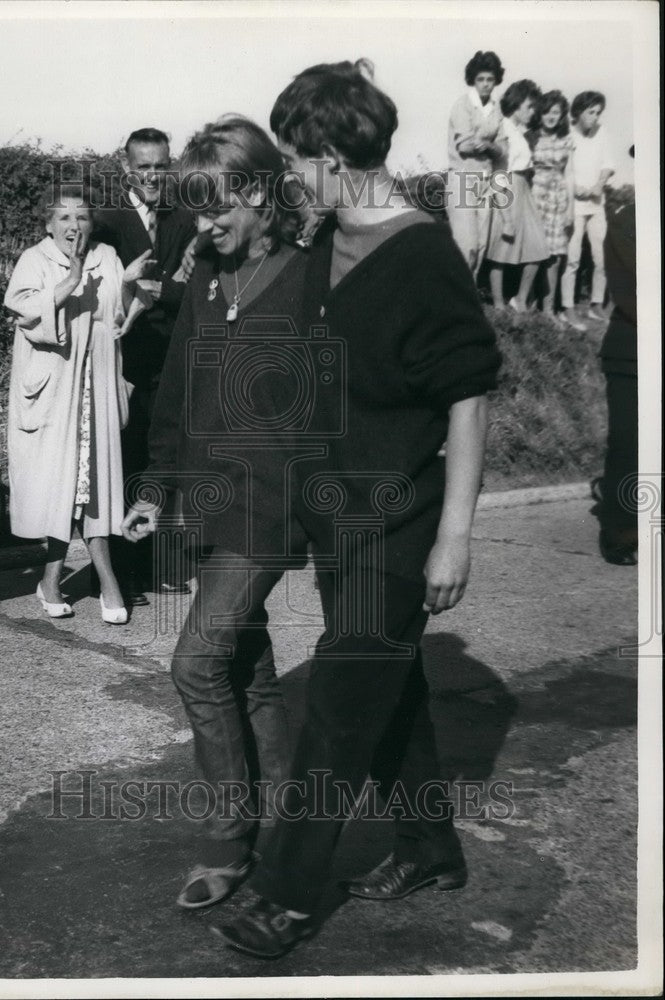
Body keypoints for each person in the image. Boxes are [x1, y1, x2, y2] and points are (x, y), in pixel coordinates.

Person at [212, 60, 501, 958]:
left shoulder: (423, 255)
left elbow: (467, 398)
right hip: (336, 520)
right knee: (388, 691)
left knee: (337, 706)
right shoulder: (320, 248)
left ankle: (285, 894)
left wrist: (453, 538)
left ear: (334, 157)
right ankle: (428, 847)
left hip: (402, 526)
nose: (292, 180)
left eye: (297, 162)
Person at [122, 115, 310, 909]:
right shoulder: (203, 274)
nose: (202, 225)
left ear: (261, 195)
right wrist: (152, 488)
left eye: (216, 207)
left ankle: (228, 840)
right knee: (246, 667)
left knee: (195, 663)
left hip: (269, 508)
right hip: (205, 503)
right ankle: (289, 825)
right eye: (195, 209)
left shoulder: (309, 278)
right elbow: (174, 393)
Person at [5, 182, 154, 624]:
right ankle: (97, 582)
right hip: (54, 392)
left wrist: (127, 285)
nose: (74, 225)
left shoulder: (106, 256)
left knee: (95, 485)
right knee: (63, 486)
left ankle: (64, 580)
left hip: (98, 387)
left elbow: (119, 317)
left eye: (82, 217)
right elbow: (22, 311)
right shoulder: (34, 260)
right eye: (64, 217)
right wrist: (68, 282)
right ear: (50, 224)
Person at [96, 127, 197, 604]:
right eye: (143, 167)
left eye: (160, 166)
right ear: (126, 168)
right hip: (122, 358)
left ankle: (153, 562)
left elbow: (195, 284)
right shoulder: (106, 221)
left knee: (163, 456)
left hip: (171, 356)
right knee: (126, 457)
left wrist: (163, 290)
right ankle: (121, 572)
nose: (153, 176)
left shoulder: (186, 216)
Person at [594, 146, 636, 564]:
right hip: (633, 353)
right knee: (629, 442)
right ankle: (621, 532)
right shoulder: (626, 222)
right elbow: (632, 294)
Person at [485, 79, 549, 312]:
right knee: (501, 248)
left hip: (524, 190)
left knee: (537, 247)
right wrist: (506, 216)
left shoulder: (519, 132)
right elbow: (497, 172)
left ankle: (520, 299)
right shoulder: (502, 129)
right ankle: (498, 303)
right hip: (507, 188)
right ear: (516, 104)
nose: (533, 112)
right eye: (529, 107)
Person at [446, 50, 506, 278]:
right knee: (466, 244)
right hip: (462, 179)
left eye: (490, 79)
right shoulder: (462, 105)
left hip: (486, 180)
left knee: (481, 245)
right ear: (473, 80)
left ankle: (469, 292)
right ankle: (454, 292)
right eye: (481, 79)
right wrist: (490, 145)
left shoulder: (496, 109)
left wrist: (487, 145)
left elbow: (503, 150)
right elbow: (464, 146)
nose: (486, 84)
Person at [561, 91, 615, 330]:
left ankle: (595, 305)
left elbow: (608, 164)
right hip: (574, 205)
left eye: (598, 113)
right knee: (572, 259)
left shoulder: (602, 132)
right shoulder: (567, 134)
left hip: (596, 203)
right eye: (590, 112)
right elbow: (564, 169)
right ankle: (567, 308)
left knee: (601, 258)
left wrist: (598, 186)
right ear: (578, 112)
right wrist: (577, 189)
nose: (595, 117)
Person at [530, 91, 575, 323]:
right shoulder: (532, 137)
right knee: (533, 251)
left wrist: (570, 208)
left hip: (558, 199)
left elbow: (570, 174)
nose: (551, 116)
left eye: (556, 112)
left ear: (562, 115)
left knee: (556, 255)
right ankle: (528, 302)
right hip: (536, 196)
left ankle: (548, 309)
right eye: (547, 111)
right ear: (540, 113)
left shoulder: (567, 140)